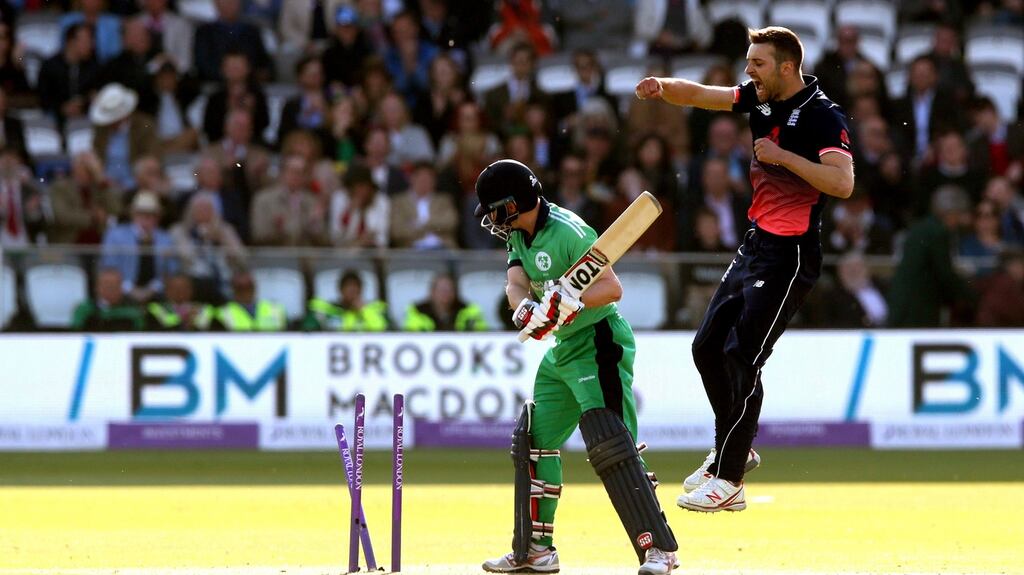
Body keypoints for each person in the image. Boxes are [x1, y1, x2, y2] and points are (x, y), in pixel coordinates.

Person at [635, 26, 855, 511]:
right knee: (707, 346)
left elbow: (842, 183)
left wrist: (781, 157)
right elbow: (701, 95)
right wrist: (662, 86)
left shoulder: (822, 115)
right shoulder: (758, 99)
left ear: (785, 66)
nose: (748, 71)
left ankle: (730, 478)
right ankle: (732, 451)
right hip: (756, 244)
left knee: (742, 357)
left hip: (791, 253)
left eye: (757, 63)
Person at [475, 160, 678, 575]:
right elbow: (515, 283)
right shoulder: (519, 234)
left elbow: (611, 287)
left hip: (599, 343)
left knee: (613, 446)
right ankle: (535, 551)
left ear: (515, 204)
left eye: (495, 211)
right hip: (562, 351)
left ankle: (659, 550)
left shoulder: (569, 232)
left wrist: (573, 302)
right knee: (532, 442)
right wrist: (526, 309)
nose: (493, 222)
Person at [888, 185, 975, 327]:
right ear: (951, 213)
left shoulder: (920, 227)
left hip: (901, 301)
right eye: (959, 215)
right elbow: (944, 272)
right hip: (919, 306)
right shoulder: (939, 233)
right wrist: (969, 295)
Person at [99, 190, 177, 302]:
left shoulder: (165, 239)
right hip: (122, 292)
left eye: (151, 215)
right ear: (133, 214)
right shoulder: (115, 235)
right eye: (141, 214)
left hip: (158, 293)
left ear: (158, 217)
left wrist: (153, 288)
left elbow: (172, 269)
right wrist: (130, 289)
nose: (146, 219)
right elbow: (110, 265)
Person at [302, 269, 388, 331]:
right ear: (340, 289)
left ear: (361, 290)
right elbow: (307, 328)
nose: (352, 292)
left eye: (355, 289)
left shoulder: (375, 310)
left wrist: (364, 310)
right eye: (348, 288)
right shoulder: (327, 311)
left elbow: (383, 329)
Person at [403, 272, 487, 331]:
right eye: (441, 290)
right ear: (432, 292)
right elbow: (413, 335)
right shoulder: (417, 311)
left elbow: (480, 334)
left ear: (455, 292)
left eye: (449, 290)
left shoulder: (469, 310)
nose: (445, 294)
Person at [71, 267, 146, 331]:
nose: (110, 288)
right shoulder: (84, 309)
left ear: (121, 288)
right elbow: (76, 334)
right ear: (97, 287)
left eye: (114, 285)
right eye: (107, 284)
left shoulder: (132, 312)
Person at [214, 271, 287, 331]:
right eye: (241, 287)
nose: (245, 292)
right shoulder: (222, 312)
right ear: (233, 290)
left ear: (254, 288)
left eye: (248, 286)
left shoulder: (275, 309)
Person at [146, 273, 215, 330]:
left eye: (183, 288)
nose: (179, 292)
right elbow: (155, 332)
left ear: (191, 290)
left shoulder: (204, 309)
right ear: (166, 291)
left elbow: (212, 331)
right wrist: (183, 324)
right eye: (175, 288)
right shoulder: (155, 309)